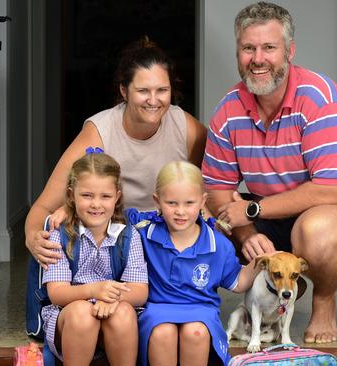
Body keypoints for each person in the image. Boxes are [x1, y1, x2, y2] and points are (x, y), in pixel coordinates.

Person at [202, 1, 337, 344]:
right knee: (199, 217)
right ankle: (276, 285)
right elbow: (216, 190)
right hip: (271, 211)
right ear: (238, 52)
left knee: (315, 229)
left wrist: (251, 211)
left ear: (289, 51)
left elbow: (332, 191)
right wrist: (245, 233)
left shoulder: (321, 100)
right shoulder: (228, 109)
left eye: (269, 47)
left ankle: (323, 300)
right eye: (248, 48)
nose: (258, 58)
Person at [25, 36, 207, 268]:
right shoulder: (99, 132)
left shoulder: (187, 129)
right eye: (143, 90)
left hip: (170, 238)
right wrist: (33, 237)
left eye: (162, 90)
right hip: (115, 241)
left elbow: (212, 188)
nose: (153, 100)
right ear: (124, 91)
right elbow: (43, 207)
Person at [126, 161, 261, 366]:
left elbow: (238, 282)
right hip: (157, 307)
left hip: (201, 309)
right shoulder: (144, 231)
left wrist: (262, 262)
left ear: (202, 202)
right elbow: (107, 213)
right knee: (163, 332)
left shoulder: (217, 244)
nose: (180, 211)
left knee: (195, 332)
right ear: (157, 201)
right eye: (172, 203)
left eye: (189, 203)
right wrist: (66, 210)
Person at [41, 151, 148, 365]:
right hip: (70, 318)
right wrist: (93, 291)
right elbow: (57, 294)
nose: (96, 204)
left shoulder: (128, 236)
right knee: (82, 313)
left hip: (113, 318)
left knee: (124, 312)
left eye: (105, 196)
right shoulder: (59, 235)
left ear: (117, 197)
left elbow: (140, 291)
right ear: (71, 195)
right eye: (87, 195)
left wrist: (111, 299)